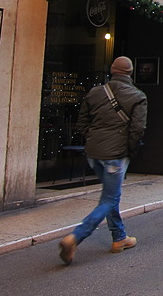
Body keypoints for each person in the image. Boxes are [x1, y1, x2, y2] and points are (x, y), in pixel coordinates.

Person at [58, 56, 147, 265]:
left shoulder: (95, 92)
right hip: (115, 156)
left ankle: (119, 238)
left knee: (110, 196)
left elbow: (82, 122)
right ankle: (76, 237)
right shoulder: (138, 96)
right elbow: (138, 129)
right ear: (130, 73)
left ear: (112, 71)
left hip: (94, 154)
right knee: (109, 199)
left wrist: (93, 139)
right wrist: (129, 151)